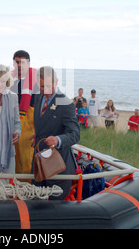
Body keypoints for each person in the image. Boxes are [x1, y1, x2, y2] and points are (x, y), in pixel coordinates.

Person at [30, 66, 80, 200]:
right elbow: (45, 124)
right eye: (41, 86)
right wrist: (38, 135)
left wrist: (58, 139)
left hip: (58, 167)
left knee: (54, 211)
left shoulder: (66, 103)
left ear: (56, 82)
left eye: (48, 85)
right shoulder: (38, 97)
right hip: (39, 164)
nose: (45, 90)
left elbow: (75, 134)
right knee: (35, 204)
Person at [10, 50, 38, 176]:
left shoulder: (38, 80)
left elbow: (44, 106)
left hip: (29, 126)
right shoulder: (9, 79)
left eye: (22, 62)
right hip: (10, 122)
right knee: (11, 159)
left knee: (25, 160)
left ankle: (24, 191)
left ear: (29, 63)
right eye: (17, 62)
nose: (19, 65)